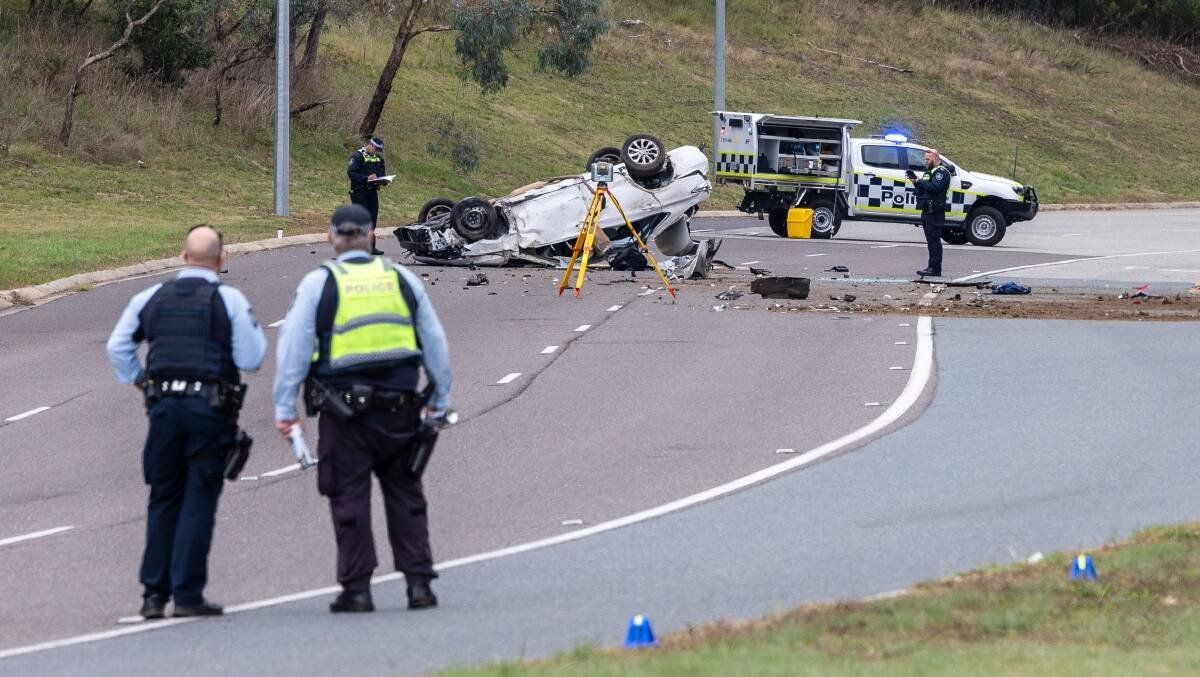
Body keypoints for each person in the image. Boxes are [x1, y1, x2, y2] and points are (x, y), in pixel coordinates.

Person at [272, 204, 452, 613]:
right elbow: (435, 345)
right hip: (401, 412)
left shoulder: (319, 284)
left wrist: (286, 410)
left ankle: (357, 590)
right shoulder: (402, 279)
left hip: (344, 416)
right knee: (406, 494)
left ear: (330, 236)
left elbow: (293, 353)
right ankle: (419, 584)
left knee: (348, 496)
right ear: (372, 236)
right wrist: (438, 402)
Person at [106, 224, 267, 619]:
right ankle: (187, 595)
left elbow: (117, 347)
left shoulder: (151, 296)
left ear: (182, 256)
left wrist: (142, 382)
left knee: (163, 497)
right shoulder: (227, 300)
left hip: (163, 409)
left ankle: (153, 596)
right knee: (198, 498)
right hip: (208, 410)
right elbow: (251, 359)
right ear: (221, 259)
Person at [907, 148, 952, 277]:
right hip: (927, 209)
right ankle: (931, 266)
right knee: (930, 240)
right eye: (925, 159)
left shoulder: (941, 172)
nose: (925, 162)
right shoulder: (929, 172)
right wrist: (915, 181)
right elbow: (924, 189)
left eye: (928, 159)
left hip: (935, 210)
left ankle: (935, 269)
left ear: (936, 158)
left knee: (934, 240)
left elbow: (934, 187)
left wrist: (919, 181)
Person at [347, 136, 389, 256]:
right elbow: (351, 173)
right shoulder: (358, 156)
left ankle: (371, 247)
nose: (376, 152)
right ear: (370, 145)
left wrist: (384, 180)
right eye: (375, 149)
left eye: (378, 150)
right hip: (359, 192)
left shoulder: (379, 159)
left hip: (372, 192)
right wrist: (366, 178)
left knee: (372, 220)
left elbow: (381, 174)